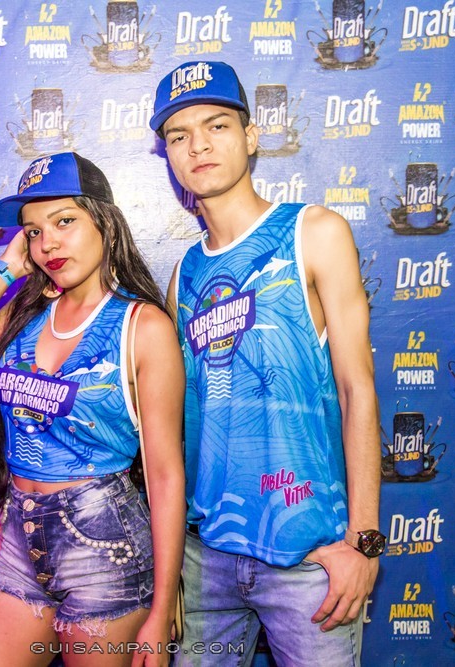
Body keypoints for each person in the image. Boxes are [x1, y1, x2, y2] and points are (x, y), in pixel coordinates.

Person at [150, 61, 383, 666]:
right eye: (178, 135)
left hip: (309, 559)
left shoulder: (314, 232)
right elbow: (179, 427)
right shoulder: (183, 276)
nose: (198, 145)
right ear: (168, 156)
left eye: (217, 125)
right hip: (205, 561)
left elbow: (358, 391)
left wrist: (364, 542)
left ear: (251, 137)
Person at [0, 151, 185, 667]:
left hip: (104, 550)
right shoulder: (27, 315)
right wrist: (5, 270)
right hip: (21, 543)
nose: (48, 244)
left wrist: (162, 605)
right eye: (34, 232)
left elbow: (164, 474)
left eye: (65, 222)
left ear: (106, 223)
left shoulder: (142, 326)